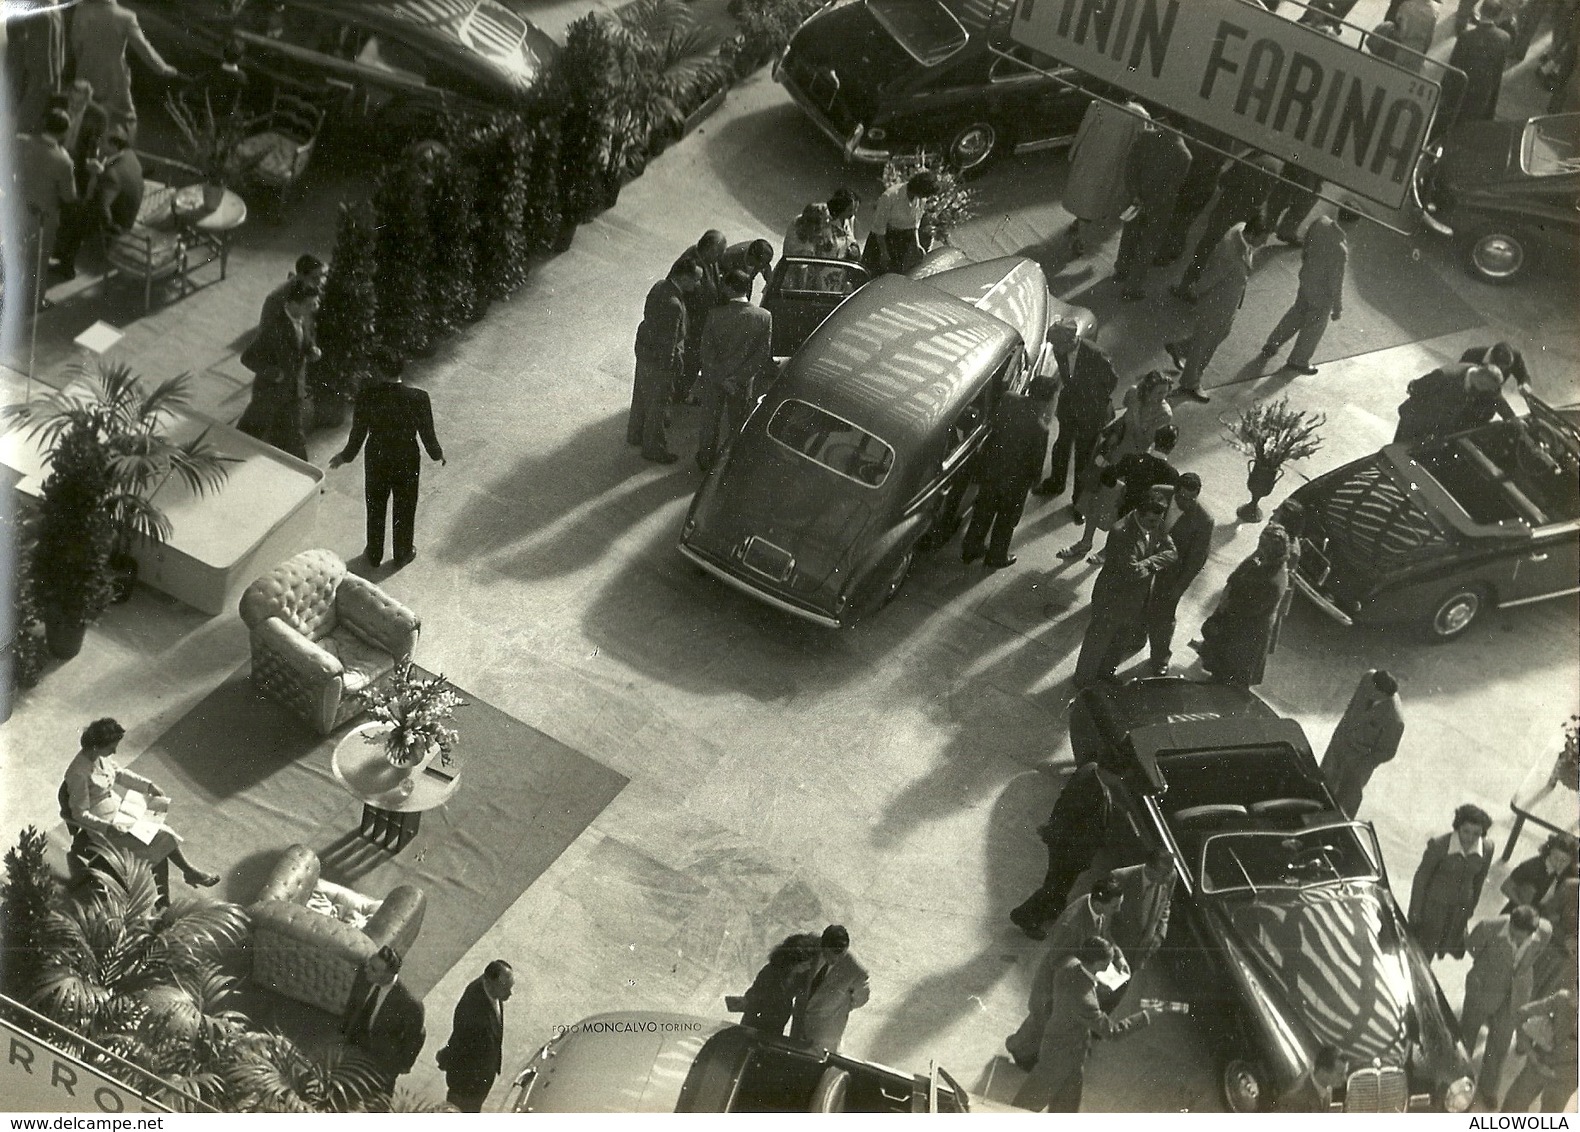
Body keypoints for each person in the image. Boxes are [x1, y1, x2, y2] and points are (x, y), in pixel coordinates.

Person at [63, 718, 221, 905]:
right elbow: (79, 814)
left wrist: (148, 786)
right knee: (161, 836)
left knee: (158, 833)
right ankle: (184, 879)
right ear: (96, 747)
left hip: (121, 811)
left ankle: (171, 893)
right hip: (106, 829)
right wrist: (107, 828)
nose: (114, 752)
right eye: (111, 748)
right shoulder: (77, 773)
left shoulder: (100, 758)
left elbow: (120, 774)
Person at [329, 348, 446, 568]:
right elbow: (427, 434)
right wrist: (437, 454)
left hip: (377, 458)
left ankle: (374, 553)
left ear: (379, 370)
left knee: (375, 506)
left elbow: (358, 434)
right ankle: (402, 553)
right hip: (407, 459)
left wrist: (344, 457)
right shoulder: (419, 398)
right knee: (405, 506)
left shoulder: (366, 396)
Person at [1011, 937, 1154, 1112]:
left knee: (1066, 1106)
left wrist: (1112, 959)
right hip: (1061, 1056)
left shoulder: (1070, 964)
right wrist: (1145, 1016)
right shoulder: (1085, 1001)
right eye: (1106, 964)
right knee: (1023, 1108)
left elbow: (1084, 983)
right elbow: (1112, 1032)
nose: (1109, 968)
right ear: (1094, 963)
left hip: (1065, 1049)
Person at [1007, 878, 1132, 1065]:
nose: (1118, 910)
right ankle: (1019, 1051)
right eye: (1115, 906)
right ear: (1099, 903)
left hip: (1073, 976)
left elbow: (1105, 935)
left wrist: (1118, 957)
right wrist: (1092, 973)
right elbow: (1057, 960)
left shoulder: (1098, 908)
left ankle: (1020, 1046)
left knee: (1045, 1018)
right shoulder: (1072, 925)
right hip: (1055, 980)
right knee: (1042, 1018)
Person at [1058, 371, 1173, 560]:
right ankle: (1085, 542)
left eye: (1165, 393)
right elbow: (1124, 417)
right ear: (1148, 389)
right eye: (1159, 392)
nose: (1162, 398)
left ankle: (1106, 550)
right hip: (1113, 452)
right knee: (1095, 498)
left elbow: (1145, 438)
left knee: (1116, 506)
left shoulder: (1164, 414)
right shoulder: (1133, 393)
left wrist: (1133, 420)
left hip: (1132, 462)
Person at [1072, 496, 1177, 688]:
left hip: (1134, 598)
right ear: (1139, 514)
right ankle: (1083, 680)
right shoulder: (1121, 532)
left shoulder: (1155, 523)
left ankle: (1105, 674)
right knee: (1098, 640)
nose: (1157, 525)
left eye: (1158, 520)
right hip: (1112, 597)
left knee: (1120, 640)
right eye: (1152, 521)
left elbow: (1172, 552)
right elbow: (1132, 571)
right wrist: (1154, 561)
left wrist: (1147, 562)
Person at [1010, 762, 1123, 940]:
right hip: (1069, 849)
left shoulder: (1091, 770)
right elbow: (1068, 816)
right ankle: (1026, 917)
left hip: (1069, 846)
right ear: (1109, 773)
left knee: (1060, 884)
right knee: (1055, 886)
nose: (1119, 781)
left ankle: (1053, 909)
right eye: (1118, 777)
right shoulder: (1090, 790)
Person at [961, 377, 1057, 570]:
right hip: (1014, 484)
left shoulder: (1009, 400)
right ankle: (996, 556)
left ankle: (971, 548)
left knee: (982, 512)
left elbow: (994, 426)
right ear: (1046, 400)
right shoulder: (1040, 428)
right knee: (1006, 521)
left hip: (991, 470)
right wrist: (1034, 482)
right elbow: (1036, 463)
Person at [1165, 217, 1265, 402]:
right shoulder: (1231, 253)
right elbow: (1210, 277)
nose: (1264, 242)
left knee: (1219, 335)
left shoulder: (1241, 229)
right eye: (1263, 238)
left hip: (1227, 303)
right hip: (1216, 305)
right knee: (1206, 344)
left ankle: (1180, 347)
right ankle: (1191, 382)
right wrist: (1196, 292)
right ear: (1251, 234)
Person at [1462, 905, 1550, 1105]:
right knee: (1467, 1034)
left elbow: (1541, 947)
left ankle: (1488, 1087)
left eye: (1523, 939)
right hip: (1483, 989)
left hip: (1515, 997)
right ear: (1510, 924)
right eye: (1514, 936)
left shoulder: (1544, 931)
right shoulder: (1488, 927)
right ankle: (1459, 1082)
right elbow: (1472, 948)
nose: (1518, 941)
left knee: (1500, 1044)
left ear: (1533, 932)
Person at [67, 0, 181, 140]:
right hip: (114, 77)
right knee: (126, 118)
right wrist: (162, 68)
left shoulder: (82, 9)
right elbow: (142, 47)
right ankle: (118, 153)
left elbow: (75, 42)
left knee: (81, 114)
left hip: (85, 71)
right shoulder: (126, 17)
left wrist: (84, 61)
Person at [1193, 524, 1290, 688]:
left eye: (1262, 544)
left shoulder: (1274, 579)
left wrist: (1226, 608)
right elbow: (1237, 576)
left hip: (1247, 632)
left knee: (1230, 673)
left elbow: (1247, 609)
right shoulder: (1263, 561)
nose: (1258, 547)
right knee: (1222, 665)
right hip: (1238, 623)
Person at [1260, 208, 1354, 376]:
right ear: (1352, 224)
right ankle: (1298, 360)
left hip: (1307, 278)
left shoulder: (1321, 222)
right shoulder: (1340, 249)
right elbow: (1336, 281)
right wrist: (1337, 307)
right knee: (1314, 326)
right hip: (1322, 292)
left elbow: (1306, 244)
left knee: (1297, 311)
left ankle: (1273, 343)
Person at [695, 268, 772, 472]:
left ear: (729, 288)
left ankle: (705, 458)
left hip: (714, 380)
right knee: (737, 422)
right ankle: (730, 462)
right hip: (741, 383)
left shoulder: (715, 315)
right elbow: (761, 355)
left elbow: (706, 352)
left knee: (710, 420)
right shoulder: (764, 317)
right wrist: (737, 379)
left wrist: (721, 378)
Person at [1173, 152, 1279, 299]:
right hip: (1246, 218)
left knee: (1204, 251)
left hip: (1226, 212)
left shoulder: (1249, 160)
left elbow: (1225, 180)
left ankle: (1185, 287)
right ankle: (1203, 293)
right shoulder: (1275, 165)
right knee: (1229, 258)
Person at [1034, 320, 1118, 502]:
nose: (1055, 349)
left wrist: (1091, 399)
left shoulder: (1097, 355)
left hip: (1091, 412)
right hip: (1070, 407)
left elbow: (1111, 381)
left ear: (1072, 340)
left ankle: (1078, 500)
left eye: (1058, 344)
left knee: (1084, 457)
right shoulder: (1059, 349)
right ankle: (1056, 483)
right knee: (1061, 447)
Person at [237, 277, 320, 460]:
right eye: (309, 304)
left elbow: (303, 339)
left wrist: (310, 348)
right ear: (293, 304)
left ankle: (305, 482)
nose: (314, 307)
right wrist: (273, 373)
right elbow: (247, 357)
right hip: (268, 396)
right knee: (248, 434)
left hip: (292, 394)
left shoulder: (302, 318)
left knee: (295, 439)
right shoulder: (274, 328)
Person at [629, 258, 702, 463]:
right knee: (658, 405)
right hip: (660, 362)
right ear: (685, 278)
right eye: (696, 280)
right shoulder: (674, 305)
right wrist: (670, 369)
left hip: (645, 352)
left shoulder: (659, 286)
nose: (697, 285)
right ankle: (654, 448)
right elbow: (669, 343)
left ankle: (635, 435)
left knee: (641, 397)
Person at [1144, 474, 1214, 676]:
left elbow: (1197, 560)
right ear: (1175, 490)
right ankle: (1136, 638)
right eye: (1182, 496)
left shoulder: (1204, 520)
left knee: (1164, 616)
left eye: (1191, 498)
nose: (1186, 502)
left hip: (1172, 572)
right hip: (1145, 559)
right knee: (1139, 602)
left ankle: (1160, 658)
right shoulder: (1157, 492)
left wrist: (1179, 587)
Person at [1114, 122, 1192, 301]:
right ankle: (1132, 286)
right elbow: (1172, 187)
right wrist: (1152, 201)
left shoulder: (1146, 137)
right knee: (1148, 245)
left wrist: (1135, 192)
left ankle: (1121, 268)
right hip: (1159, 206)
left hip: (1136, 197)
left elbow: (1130, 166)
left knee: (1130, 232)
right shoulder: (1184, 155)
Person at [1061, 99, 1149, 257]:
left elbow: (1083, 130)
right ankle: (1082, 225)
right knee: (1098, 198)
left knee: (1084, 194)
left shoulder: (1097, 105)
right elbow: (1141, 141)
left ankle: (1081, 236)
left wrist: (1073, 150)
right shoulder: (1138, 114)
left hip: (1089, 157)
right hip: (1113, 164)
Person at [1409, 803, 1496, 959]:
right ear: (1458, 827)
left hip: (1458, 911)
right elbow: (1421, 879)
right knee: (1423, 951)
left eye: (1477, 833)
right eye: (1466, 831)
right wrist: (1415, 912)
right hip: (1433, 908)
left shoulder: (1487, 848)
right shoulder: (1439, 845)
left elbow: (1479, 881)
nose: (1470, 838)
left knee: (1443, 946)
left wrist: (1470, 909)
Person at [16, 108, 79, 312]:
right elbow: (69, 196)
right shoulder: (63, 161)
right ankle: (35, 301)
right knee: (39, 261)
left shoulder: (24, 143)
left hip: (18, 208)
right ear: (63, 132)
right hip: (43, 218)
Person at [1321, 669, 1405, 818]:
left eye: (1373, 691)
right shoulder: (1369, 678)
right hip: (1340, 743)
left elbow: (1388, 752)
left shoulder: (1395, 719)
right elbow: (1353, 705)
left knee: (1347, 799)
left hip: (1359, 760)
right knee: (1323, 782)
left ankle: (1340, 826)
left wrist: (1364, 764)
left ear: (1383, 695)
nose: (1368, 691)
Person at [343, 946, 426, 1094]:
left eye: (374, 969)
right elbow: (353, 1005)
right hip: (353, 1048)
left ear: (389, 975)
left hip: (381, 1062)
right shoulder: (365, 976)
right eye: (369, 964)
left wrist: (400, 1066)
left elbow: (415, 1038)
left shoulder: (409, 1003)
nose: (367, 969)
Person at [437, 959, 513, 1112]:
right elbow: (460, 1042)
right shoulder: (472, 1008)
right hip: (467, 1086)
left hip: (481, 1077)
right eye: (505, 988)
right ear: (490, 983)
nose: (510, 993)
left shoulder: (493, 992)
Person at [790, 925, 869, 1053]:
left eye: (840, 954)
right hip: (799, 1025)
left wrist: (837, 1008)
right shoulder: (811, 953)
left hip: (825, 1034)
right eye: (830, 953)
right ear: (823, 945)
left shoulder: (855, 971)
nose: (835, 959)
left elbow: (861, 998)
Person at [1502, 984, 1578, 1112]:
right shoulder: (1562, 1000)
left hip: (1564, 1080)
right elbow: (1521, 1013)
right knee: (1511, 1108)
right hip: (1539, 1065)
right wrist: (1531, 1052)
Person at [1393, 362, 1513, 443]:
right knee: (1396, 456)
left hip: (1438, 427)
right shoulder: (1445, 375)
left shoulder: (1485, 383)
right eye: (1484, 386)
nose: (1486, 391)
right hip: (1415, 420)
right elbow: (1416, 387)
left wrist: (1513, 419)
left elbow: (1497, 399)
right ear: (1479, 376)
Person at [730, 933, 821, 1036]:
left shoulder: (800, 976)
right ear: (792, 962)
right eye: (805, 964)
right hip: (757, 1023)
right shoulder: (770, 972)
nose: (809, 967)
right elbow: (752, 999)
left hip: (779, 1024)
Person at [672, 230, 727, 402]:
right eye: (719, 252)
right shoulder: (691, 263)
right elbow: (678, 293)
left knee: (694, 362)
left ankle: (681, 391)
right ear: (709, 249)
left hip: (702, 324)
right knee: (689, 361)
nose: (721, 257)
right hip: (692, 327)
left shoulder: (710, 261)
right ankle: (677, 394)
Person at [1105, 849, 1175, 974]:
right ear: (1149, 868)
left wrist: (1159, 934)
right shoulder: (1120, 878)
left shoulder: (1170, 876)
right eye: (1164, 874)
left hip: (1139, 953)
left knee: (1122, 987)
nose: (1168, 878)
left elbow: (1165, 904)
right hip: (1114, 948)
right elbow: (1104, 920)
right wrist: (1115, 953)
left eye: (1169, 873)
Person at [1450, 2, 1513, 124]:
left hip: (1463, 90)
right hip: (1484, 92)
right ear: (1498, 16)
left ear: (1480, 11)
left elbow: (1453, 67)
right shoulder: (1504, 38)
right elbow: (1498, 72)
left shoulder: (1466, 36)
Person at [864, 171, 938, 274]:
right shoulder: (890, 196)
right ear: (919, 190)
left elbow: (915, 222)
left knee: (893, 276)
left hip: (900, 242)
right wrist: (884, 253)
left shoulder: (921, 199)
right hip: (882, 241)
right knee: (871, 274)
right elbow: (879, 228)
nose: (926, 197)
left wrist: (917, 244)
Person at [9, 1, 65, 132]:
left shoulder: (55, 10)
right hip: (36, 72)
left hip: (53, 73)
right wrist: (47, 75)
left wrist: (57, 73)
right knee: (31, 110)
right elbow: (24, 46)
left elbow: (59, 45)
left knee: (47, 110)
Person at [1502, 835, 1580, 913]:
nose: (1558, 864)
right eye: (1556, 857)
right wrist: (1524, 908)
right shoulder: (1532, 865)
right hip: (1520, 913)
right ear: (1549, 851)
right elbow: (1505, 886)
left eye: (1564, 860)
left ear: (1571, 860)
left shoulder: (1569, 872)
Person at [1276, 1046, 1348, 1112]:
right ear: (1323, 1072)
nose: (1344, 1079)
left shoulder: (1326, 1086)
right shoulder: (1296, 1100)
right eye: (1340, 1074)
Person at [196, 40, 250, 122]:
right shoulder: (242, 77)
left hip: (210, 110)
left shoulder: (214, 71)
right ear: (240, 57)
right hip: (229, 114)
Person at [1462, 341, 1532, 389]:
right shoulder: (1471, 355)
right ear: (1491, 360)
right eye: (1501, 368)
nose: (1501, 373)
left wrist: (1525, 385)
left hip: (1494, 397)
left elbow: (1523, 375)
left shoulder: (1515, 356)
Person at [1395, 0, 1441, 71]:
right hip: (1419, 48)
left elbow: (1398, 24)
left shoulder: (1407, 4)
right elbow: (1430, 35)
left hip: (1404, 44)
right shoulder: (1435, 10)